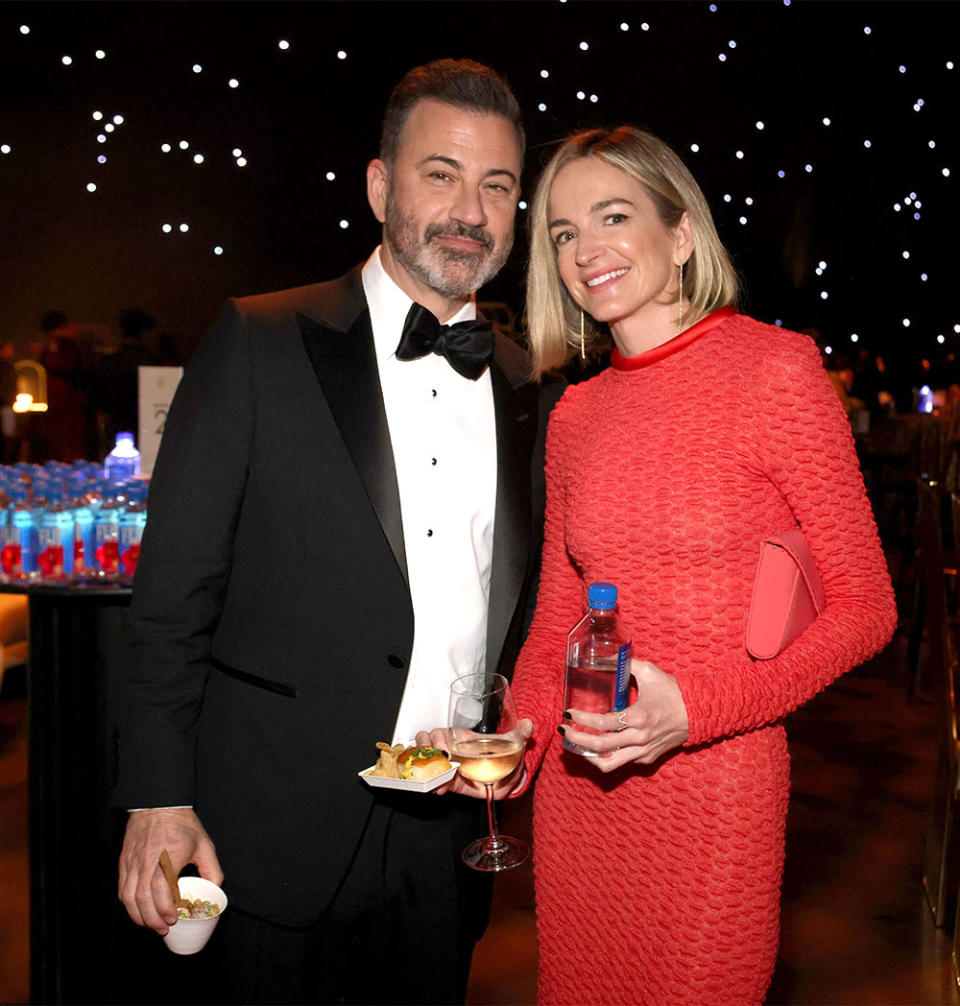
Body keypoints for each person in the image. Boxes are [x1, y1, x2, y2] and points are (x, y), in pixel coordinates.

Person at [115, 59, 553, 1005]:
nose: (469, 210)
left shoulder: (529, 386)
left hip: (447, 839)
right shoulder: (259, 340)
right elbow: (172, 593)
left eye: (497, 185)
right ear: (379, 185)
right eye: (441, 173)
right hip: (267, 828)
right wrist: (157, 795)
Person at [508, 127, 898, 1005]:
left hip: (714, 788)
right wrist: (515, 744)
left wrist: (695, 711)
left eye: (613, 216)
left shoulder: (775, 370)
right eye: (563, 233)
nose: (586, 251)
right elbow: (555, 623)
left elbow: (866, 608)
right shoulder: (575, 412)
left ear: (681, 235)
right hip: (582, 791)